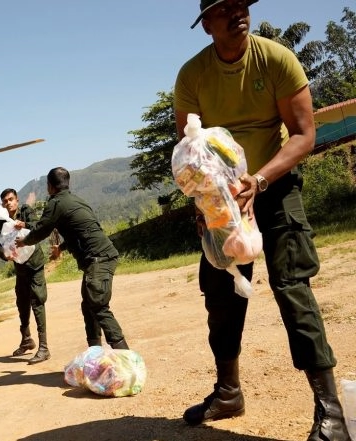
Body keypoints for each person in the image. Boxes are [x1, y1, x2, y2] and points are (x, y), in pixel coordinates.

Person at [174, 1, 349, 439]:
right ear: (207, 25)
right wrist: (204, 204)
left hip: (275, 185)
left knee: (293, 288)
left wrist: (261, 180)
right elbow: (190, 155)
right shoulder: (192, 76)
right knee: (220, 293)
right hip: (223, 201)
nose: (236, 12)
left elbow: (304, 134)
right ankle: (228, 392)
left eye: (240, 4)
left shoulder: (275, 58)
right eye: (224, 8)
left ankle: (331, 414)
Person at [16, 167, 129, 350]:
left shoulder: (56, 203)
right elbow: (81, 231)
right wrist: (61, 247)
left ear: (50, 186)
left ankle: (126, 360)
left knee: (98, 306)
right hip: (102, 256)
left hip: (97, 259)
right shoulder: (77, 201)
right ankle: (95, 355)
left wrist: (24, 241)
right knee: (88, 306)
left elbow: (41, 230)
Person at [0, 188, 50, 364]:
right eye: (5, 201)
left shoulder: (26, 211)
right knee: (22, 302)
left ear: (17, 200)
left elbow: (38, 228)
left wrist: (24, 225)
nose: (8, 203)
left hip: (34, 263)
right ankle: (26, 340)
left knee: (37, 300)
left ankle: (44, 347)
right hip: (20, 266)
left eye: (11, 199)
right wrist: (6, 255)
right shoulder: (0, 221)